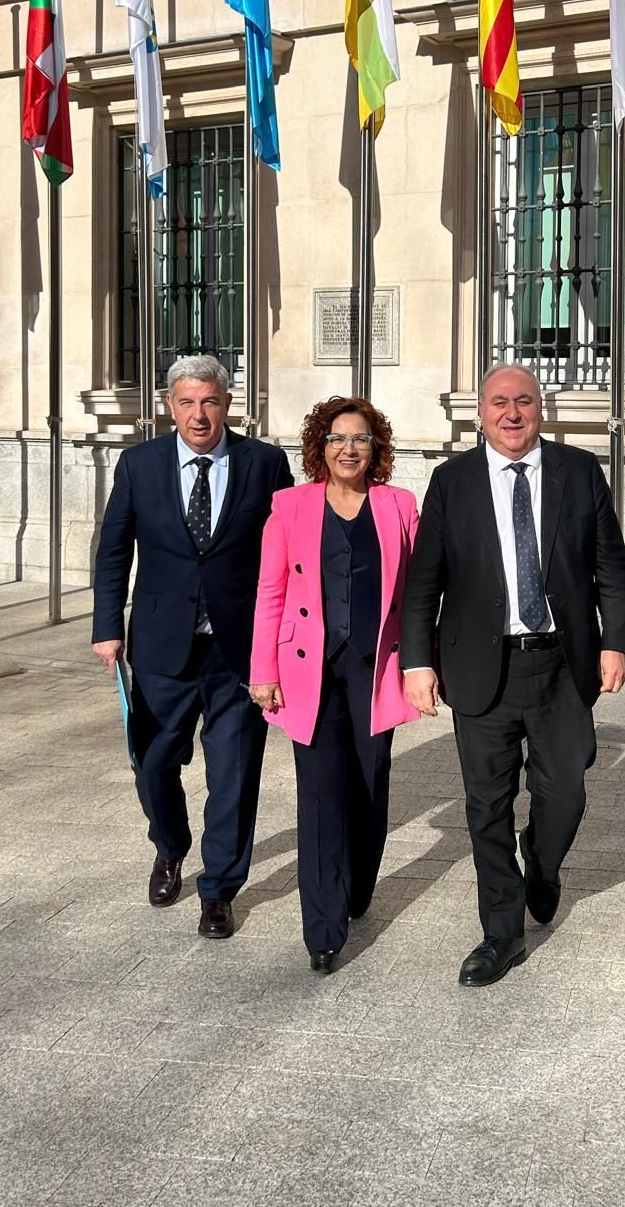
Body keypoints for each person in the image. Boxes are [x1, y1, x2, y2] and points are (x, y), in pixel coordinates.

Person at [401, 365, 625, 987]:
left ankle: (544, 857)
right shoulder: (452, 481)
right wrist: (416, 661)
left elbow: (609, 565)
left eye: (524, 402)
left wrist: (616, 643)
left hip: (562, 663)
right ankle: (500, 934)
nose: (512, 413)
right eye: (499, 403)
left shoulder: (578, 471)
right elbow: (424, 580)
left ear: (541, 410)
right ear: (480, 413)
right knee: (487, 805)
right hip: (481, 668)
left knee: (566, 792)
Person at [91, 354, 293, 939]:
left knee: (233, 773)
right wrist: (108, 627)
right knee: (153, 762)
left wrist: (286, 638)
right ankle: (170, 846)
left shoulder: (264, 463)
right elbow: (113, 553)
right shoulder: (139, 465)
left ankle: (220, 889)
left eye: (209, 401)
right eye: (186, 402)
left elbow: (286, 550)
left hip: (239, 651)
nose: (198, 414)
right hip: (160, 647)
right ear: (169, 406)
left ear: (228, 404)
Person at [249, 397, 419, 973]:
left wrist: (425, 663)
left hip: (376, 667)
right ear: (321, 448)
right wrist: (262, 670)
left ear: (377, 449)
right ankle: (322, 929)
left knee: (369, 787)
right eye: (338, 439)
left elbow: (419, 596)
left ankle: (359, 886)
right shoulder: (290, 506)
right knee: (320, 795)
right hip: (307, 669)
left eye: (361, 439)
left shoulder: (399, 506)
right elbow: (270, 591)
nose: (350, 449)